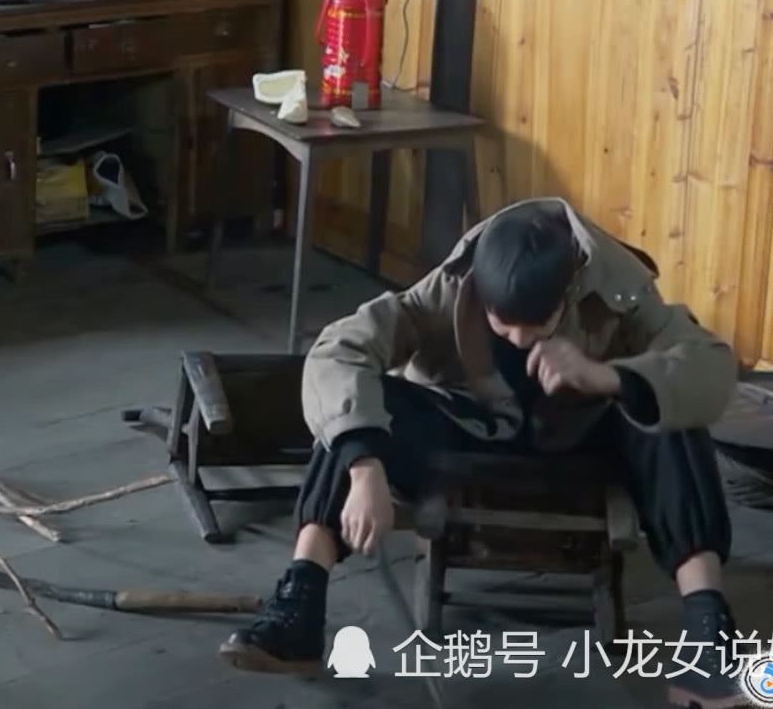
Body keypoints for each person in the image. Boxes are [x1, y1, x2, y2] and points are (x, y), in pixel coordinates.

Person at [218, 197, 745, 709]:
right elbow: (339, 351)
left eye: (538, 325)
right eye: (502, 323)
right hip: (471, 432)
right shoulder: (449, 287)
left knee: (674, 414)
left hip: (582, 440)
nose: (519, 340)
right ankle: (301, 604)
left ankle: (708, 634)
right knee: (354, 409)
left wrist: (607, 376)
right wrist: (364, 466)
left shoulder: (618, 286)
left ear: (568, 291)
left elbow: (709, 362)